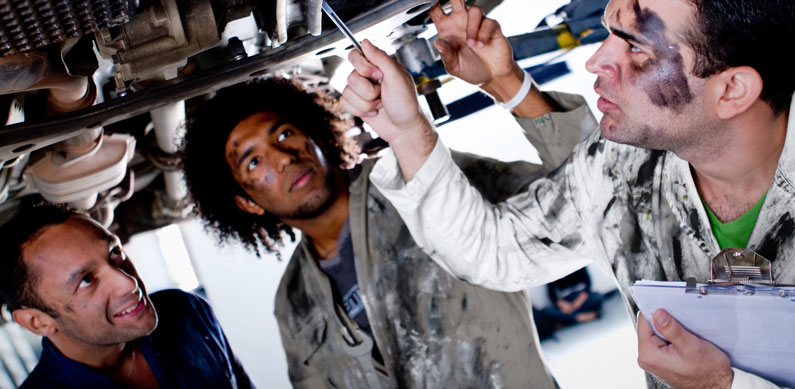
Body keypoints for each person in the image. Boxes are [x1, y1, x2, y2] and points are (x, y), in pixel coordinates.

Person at [341, 0, 795, 389]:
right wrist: (404, 129)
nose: (595, 61)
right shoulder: (621, 170)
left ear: (733, 90)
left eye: (636, 47)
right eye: (609, 34)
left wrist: (722, 385)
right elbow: (496, 250)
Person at [181, 77, 592, 388]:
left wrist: (508, 83)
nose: (283, 158)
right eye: (253, 163)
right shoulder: (294, 304)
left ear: (316, 135)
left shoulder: (416, 179)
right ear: (247, 203)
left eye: (285, 134)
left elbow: (589, 199)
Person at [0, 204, 253, 388]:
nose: (128, 282)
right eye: (86, 280)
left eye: (114, 253)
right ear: (37, 321)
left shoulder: (184, 310)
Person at [532, 267, 604, 340]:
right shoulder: (551, 272)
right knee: (546, 311)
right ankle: (580, 317)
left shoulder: (577, 262)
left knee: (597, 296)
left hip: (581, 298)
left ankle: (568, 320)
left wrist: (579, 301)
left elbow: (588, 284)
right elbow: (552, 296)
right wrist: (564, 305)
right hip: (566, 301)